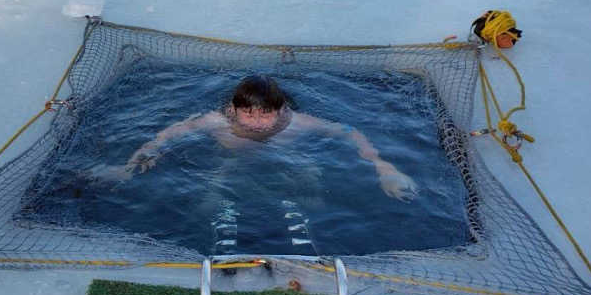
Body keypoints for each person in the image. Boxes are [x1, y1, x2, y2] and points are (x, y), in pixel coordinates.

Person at [123, 75, 418, 201]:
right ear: (233, 110)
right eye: (248, 114)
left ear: (280, 111)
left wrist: (384, 169)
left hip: (291, 163)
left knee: (312, 189)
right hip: (228, 162)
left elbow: (349, 132)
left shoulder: (298, 124)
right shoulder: (215, 121)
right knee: (209, 200)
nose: (257, 123)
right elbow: (169, 133)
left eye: (265, 114)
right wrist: (135, 162)